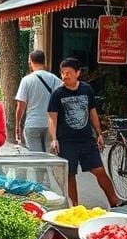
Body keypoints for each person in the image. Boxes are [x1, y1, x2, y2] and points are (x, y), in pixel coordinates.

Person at [48, 57, 119, 207]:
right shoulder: (57, 93)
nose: (65, 76)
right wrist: (54, 138)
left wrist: (99, 133)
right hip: (66, 141)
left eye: (69, 72)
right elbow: (52, 118)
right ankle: (75, 206)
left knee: (99, 170)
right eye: (63, 73)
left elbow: (92, 112)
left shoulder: (86, 89)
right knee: (70, 174)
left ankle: (115, 201)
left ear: (77, 73)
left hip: (86, 139)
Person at [15, 49, 62, 152]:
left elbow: (21, 106)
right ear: (44, 62)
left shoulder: (26, 80)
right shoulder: (56, 80)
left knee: (37, 159)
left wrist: (17, 124)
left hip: (32, 124)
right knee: (49, 158)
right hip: (51, 125)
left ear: (30, 61)